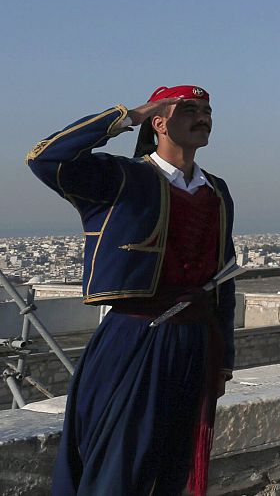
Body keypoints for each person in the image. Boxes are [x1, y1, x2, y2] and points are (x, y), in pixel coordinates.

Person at [26, 87, 237, 496]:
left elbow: (223, 277)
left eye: (207, 110)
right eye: (188, 109)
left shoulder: (217, 190)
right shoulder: (120, 177)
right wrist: (131, 115)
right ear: (160, 122)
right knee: (120, 460)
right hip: (135, 335)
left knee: (172, 463)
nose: (202, 117)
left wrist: (224, 358)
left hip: (196, 341)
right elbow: (44, 157)